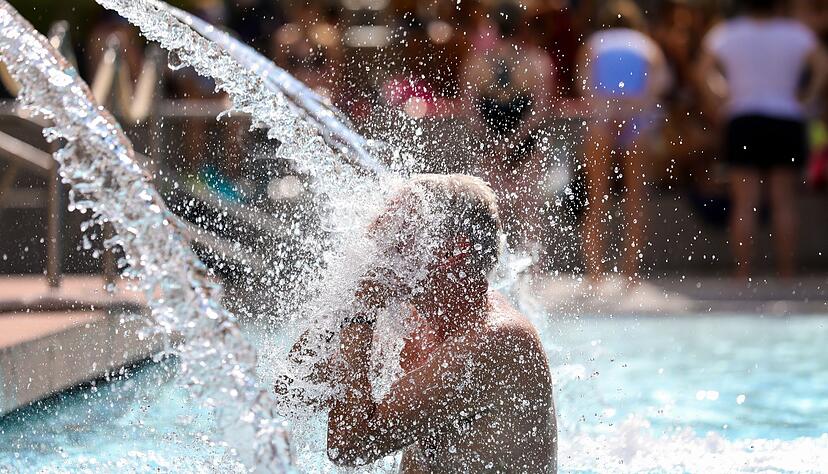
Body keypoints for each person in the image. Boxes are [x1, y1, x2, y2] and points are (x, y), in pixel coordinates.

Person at [281, 174, 557, 472]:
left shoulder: (497, 340)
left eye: (399, 226)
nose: (377, 236)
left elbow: (349, 447)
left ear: (453, 251)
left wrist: (357, 315)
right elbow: (293, 391)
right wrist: (344, 297)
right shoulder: (415, 322)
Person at [697, 0, 828, 278]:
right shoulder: (796, 33)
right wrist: (807, 98)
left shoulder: (728, 33)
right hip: (786, 119)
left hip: (743, 119)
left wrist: (719, 98)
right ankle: (786, 273)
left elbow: (702, 70)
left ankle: (743, 274)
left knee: (744, 200)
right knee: (784, 200)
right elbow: (822, 66)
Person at [577, 0, 670, 281]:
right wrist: (630, 109)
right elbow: (660, 86)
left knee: (596, 199)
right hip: (637, 120)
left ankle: (595, 274)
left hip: (602, 119)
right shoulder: (647, 46)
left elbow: (584, 86)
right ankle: (630, 273)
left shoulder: (595, 43)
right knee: (635, 200)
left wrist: (610, 110)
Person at [461, 3, 555, 249]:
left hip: (489, 141)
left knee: (489, 210)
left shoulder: (476, 63)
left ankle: (488, 267)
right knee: (529, 211)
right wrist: (513, 141)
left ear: (494, 27)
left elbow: (470, 112)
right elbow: (539, 111)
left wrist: (494, 142)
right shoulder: (536, 62)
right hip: (525, 141)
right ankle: (534, 273)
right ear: (522, 27)